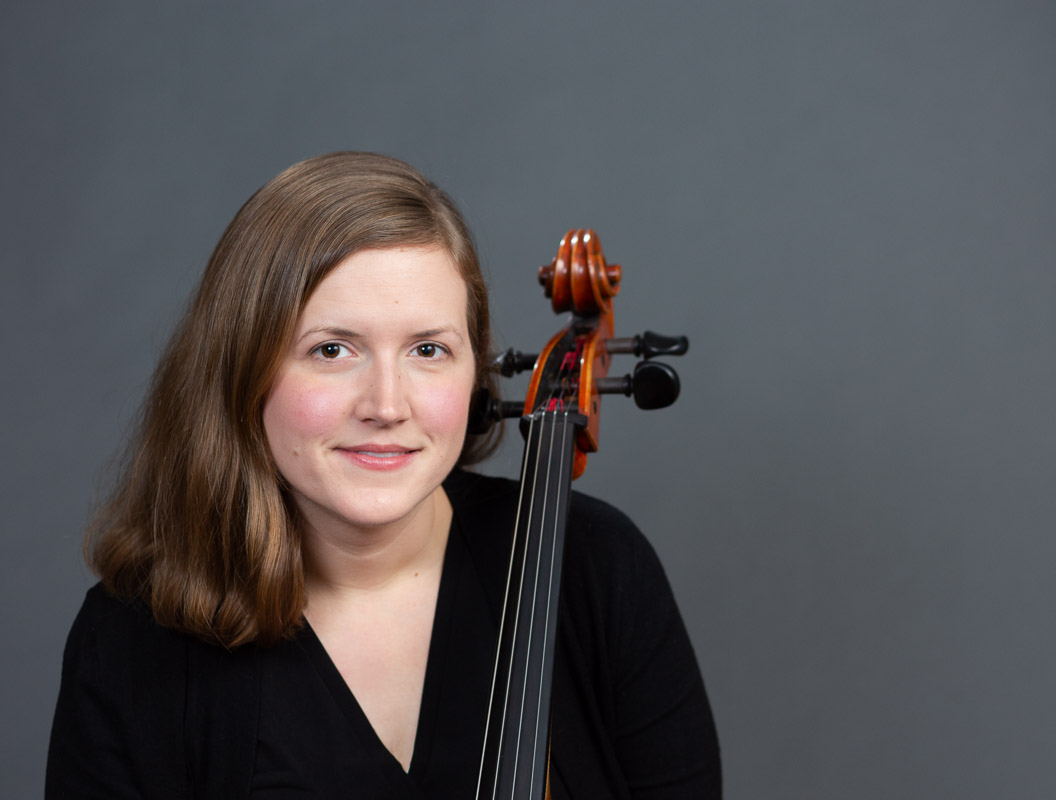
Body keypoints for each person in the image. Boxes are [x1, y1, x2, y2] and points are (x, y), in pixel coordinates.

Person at [46, 151, 721, 799]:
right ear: (243, 370)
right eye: (332, 350)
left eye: (428, 349)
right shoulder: (130, 643)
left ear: (474, 371)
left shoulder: (595, 568)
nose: (387, 406)